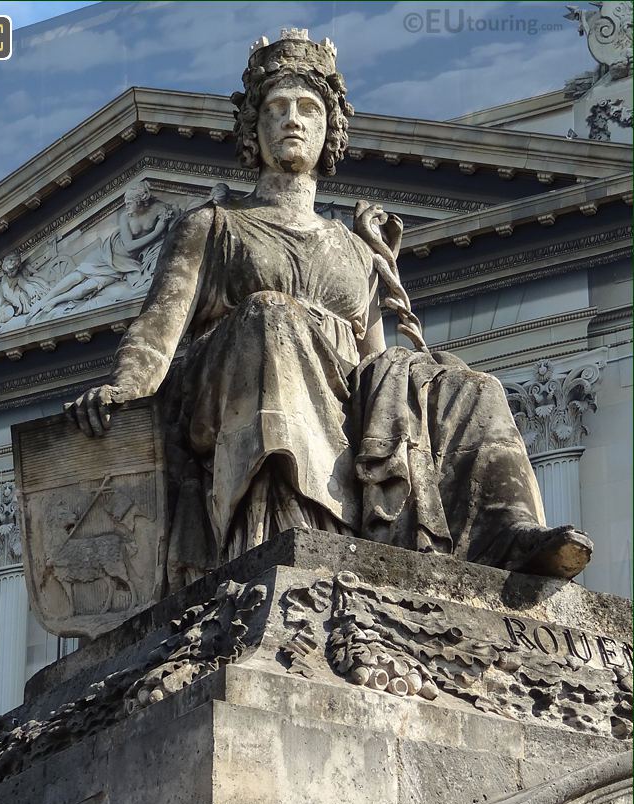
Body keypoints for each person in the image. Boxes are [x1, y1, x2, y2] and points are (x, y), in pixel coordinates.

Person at [68, 29, 592, 590]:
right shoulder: (211, 226)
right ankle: (289, 537)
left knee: (463, 383)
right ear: (254, 130)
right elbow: (157, 330)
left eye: (308, 109)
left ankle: (503, 531)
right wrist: (125, 387)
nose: (292, 119)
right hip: (233, 388)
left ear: (329, 130)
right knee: (274, 315)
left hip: (330, 394)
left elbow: (372, 371)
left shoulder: (354, 249)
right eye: (275, 109)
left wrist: (412, 365)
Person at [35, 181, 173, 312]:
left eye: (129, 203)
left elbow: (175, 223)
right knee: (78, 276)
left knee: (89, 287)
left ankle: (56, 301)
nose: (127, 206)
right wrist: (156, 232)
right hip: (109, 253)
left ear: (139, 201)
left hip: (125, 264)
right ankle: (45, 299)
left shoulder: (159, 209)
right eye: (126, 203)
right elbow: (130, 246)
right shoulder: (125, 217)